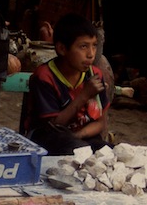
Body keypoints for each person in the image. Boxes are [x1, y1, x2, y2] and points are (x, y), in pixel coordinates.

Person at [24, 13, 111, 155]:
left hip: (82, 137)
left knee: (110, 154)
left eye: (94, 46)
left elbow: (101, 123)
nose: (91, 54)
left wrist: (79, 136)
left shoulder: (95, 75)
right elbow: (54, 126)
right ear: (62, 49)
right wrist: (84, 95)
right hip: (47, 139)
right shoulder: (45, 76)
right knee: (78, 152)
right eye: (83, 46)